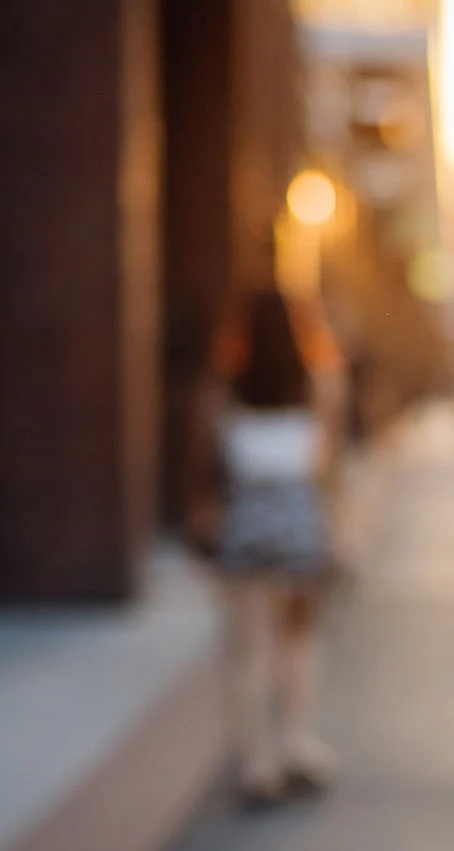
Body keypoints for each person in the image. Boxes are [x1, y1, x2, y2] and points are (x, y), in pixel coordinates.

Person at [190, 290, 346, 808]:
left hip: (246, 518)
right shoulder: (317, 383)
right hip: (298, 518)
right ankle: (296, 746)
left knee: (246, 647)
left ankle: (255, 763)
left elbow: (208, 465)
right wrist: (337, 531)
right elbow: (327, 467)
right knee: (297, 640)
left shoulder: (223, 388)